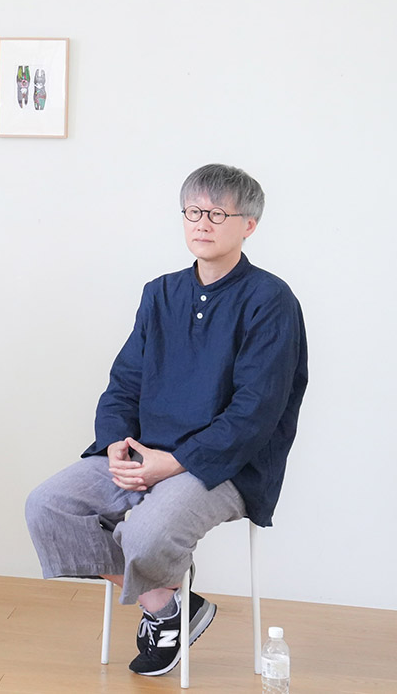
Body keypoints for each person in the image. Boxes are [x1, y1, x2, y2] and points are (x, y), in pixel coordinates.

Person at [24, 163, 307, 677]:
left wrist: (176, 463)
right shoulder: (160, 293)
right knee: (49, 506)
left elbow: (257, 411)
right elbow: (124, 382)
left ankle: (165, 600)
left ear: (249, 225)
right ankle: (167, 606)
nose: (202, 224)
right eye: (193, 212)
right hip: (144, 451)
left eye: (218, 214)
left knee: (147, 536)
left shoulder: (270, 300)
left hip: (225, 465)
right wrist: (115, 442)